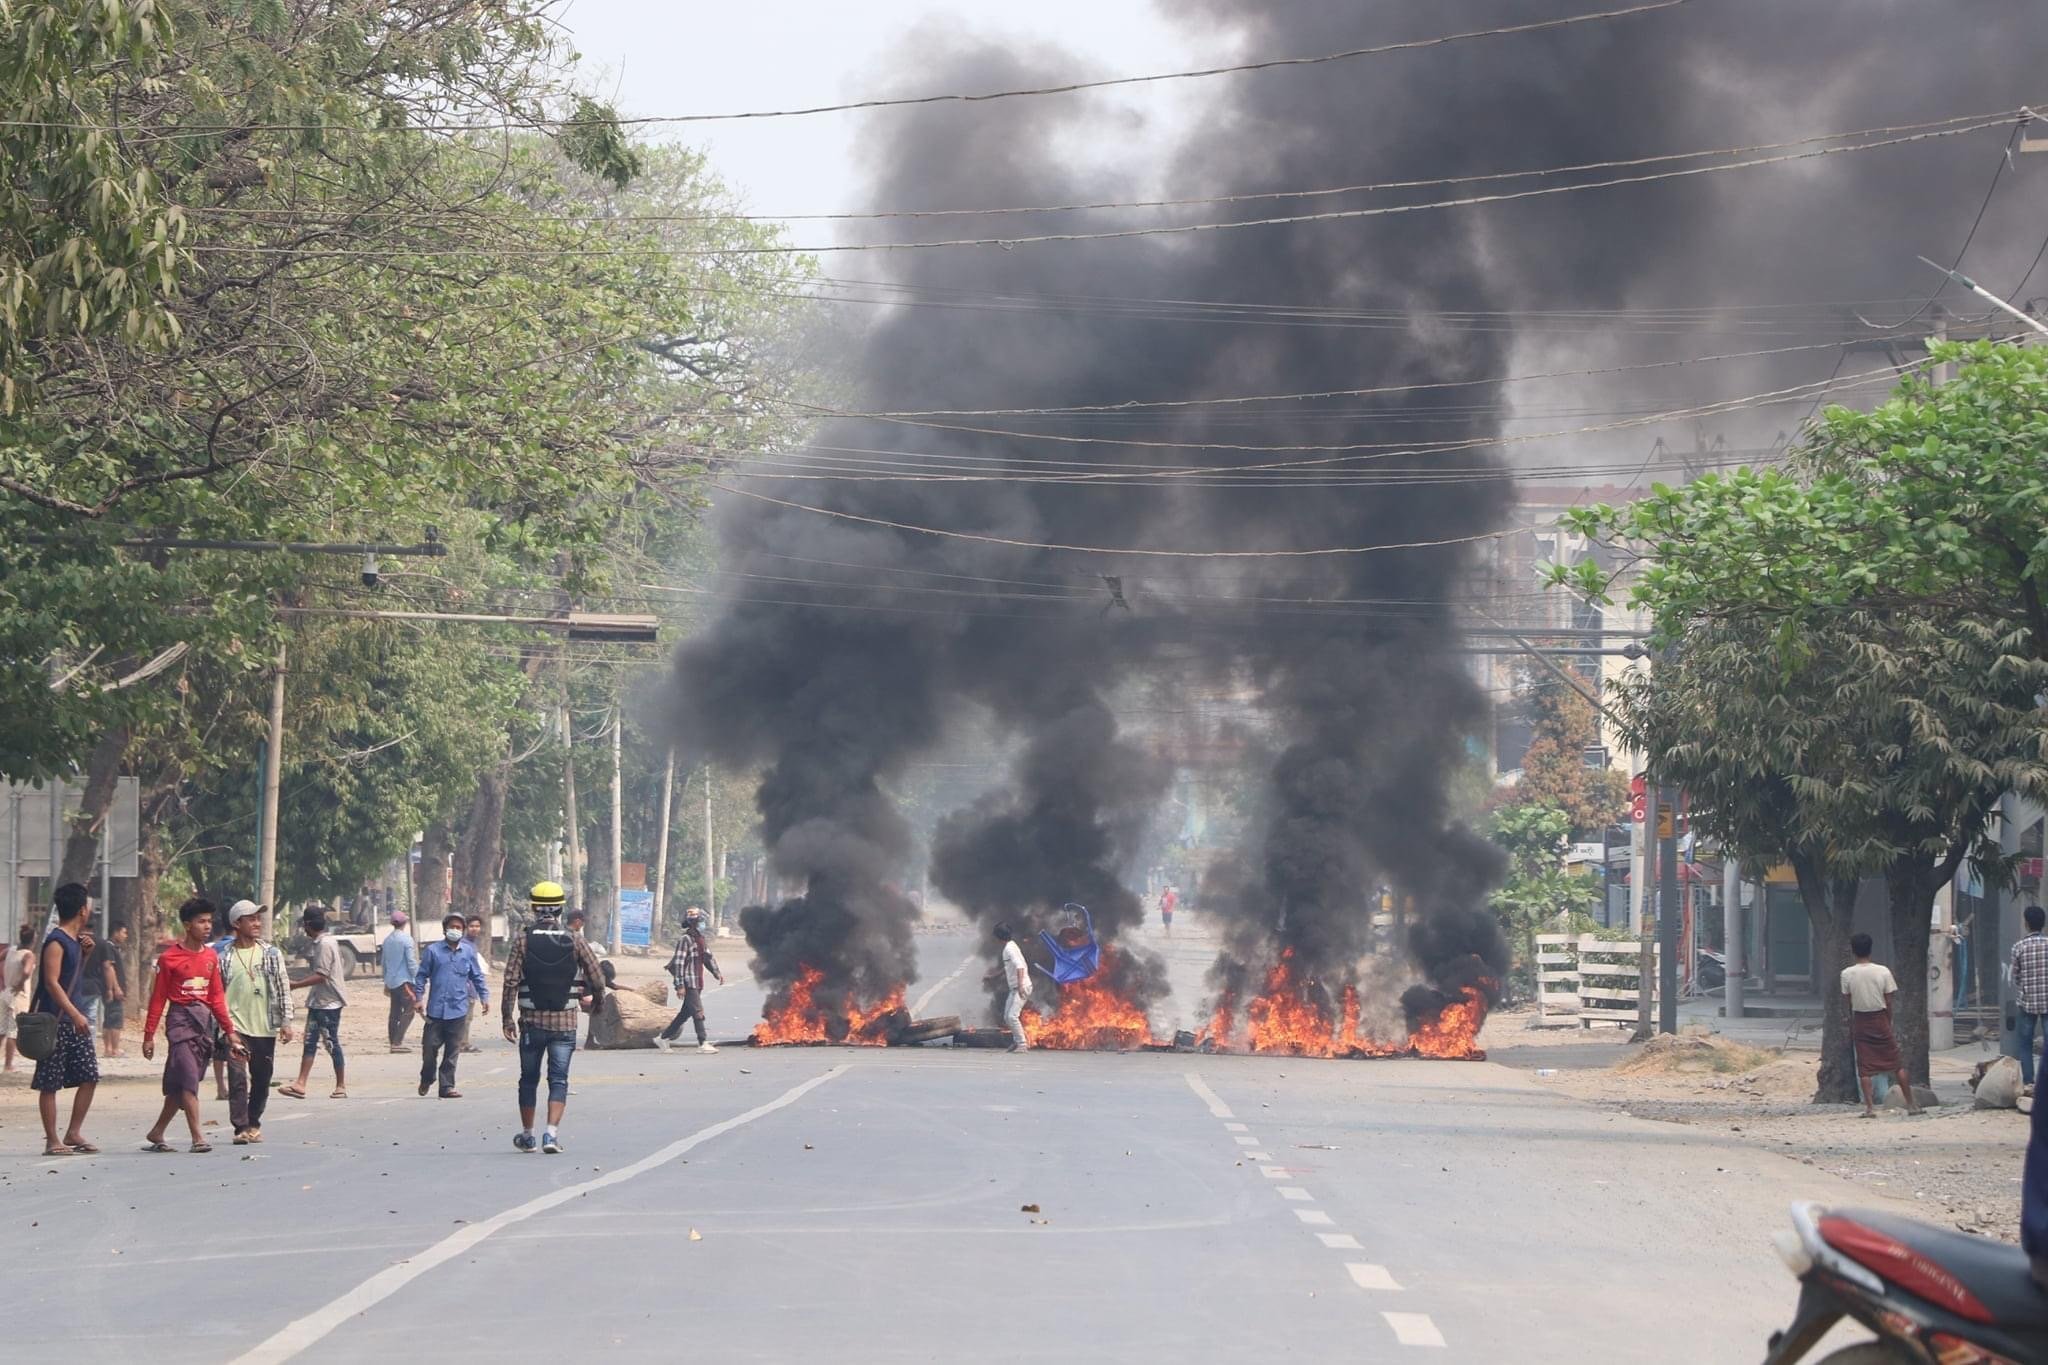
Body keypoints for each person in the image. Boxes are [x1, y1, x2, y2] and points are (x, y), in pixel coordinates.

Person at [501, 881, 606, 1154]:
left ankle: (527, 1135)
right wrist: (599, 1002)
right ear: (561, 908)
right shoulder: (575, 939)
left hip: (531, 1024)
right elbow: (597, 975)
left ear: (534, 908)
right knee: (558, 1079)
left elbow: (510, 980)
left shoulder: (523, 940)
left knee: (528, 1079)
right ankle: (550, 1134)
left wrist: (506, 1018)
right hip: (565, 1023)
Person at [141, 898, 245, 1154]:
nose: (207, 926)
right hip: (180, 1022)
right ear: (188, 925)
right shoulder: (169, 958)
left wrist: (230, 1033)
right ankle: (198, 1136)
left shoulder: (211, 956)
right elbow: (158, 999)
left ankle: (157, 1132)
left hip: (203, 1024)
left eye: (209, 921)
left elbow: (216, 998)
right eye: (201, 921)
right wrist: (149, 1035)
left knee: (180, 1085)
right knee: (188, 1080)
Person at [215, 900, 292, 1143]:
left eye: (258, 919)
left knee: (262, 1078)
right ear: (237, 923)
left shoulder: (271, 954)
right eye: (251, 919)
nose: (257, 923)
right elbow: (217, 993)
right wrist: (222, 1027)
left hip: (265, 1027)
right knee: (237, 1078)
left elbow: (282, 988)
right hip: (235, 1027)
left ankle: (253, 1121)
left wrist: (286, 1021)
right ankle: (240, 1128)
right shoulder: (224, 957)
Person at [31, 884, 99, 1155]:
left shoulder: (75, 941)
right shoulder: (56, 941)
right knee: (50, 1082)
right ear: (83, 910)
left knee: (89, 1075)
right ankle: (52, 1139)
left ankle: (72, 1132)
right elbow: (51, 983)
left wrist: (86, 954)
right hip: (57, 1021)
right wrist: (74, 1014)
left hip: (74, 1020)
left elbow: (70, 976)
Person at [1842, 933, 1923, 1117]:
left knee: (1864, 1067)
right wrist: (1888, 1021)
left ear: (1853, 951)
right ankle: (1911, 1104)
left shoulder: (1847, 974)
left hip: (1861, 1021)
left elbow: (1848, 1001)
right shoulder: (1883, 971)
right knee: (1897, 1064)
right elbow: (1889, 1001)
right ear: (1871, 949)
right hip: (1881, 1020)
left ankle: (1870, 1108)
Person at [414, 913, 489, 1098]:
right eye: (452, 927)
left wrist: (484, 997)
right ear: (445, 929)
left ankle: (447, 1086)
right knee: (429, 1049)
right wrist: (418, 998)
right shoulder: (433, 951)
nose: (455, 930)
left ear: (462, 931)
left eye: (458, 927)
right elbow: (421, 976)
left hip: (458, 1009)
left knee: (452, 1051)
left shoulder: (468, 952)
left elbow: (477, 976)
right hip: (436, 1011)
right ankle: (427, 1077)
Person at [280, 905, 349, 1099]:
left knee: (330, 1041)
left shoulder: (325, 945)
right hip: (319, 1001)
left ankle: (341, 1085)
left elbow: (322, 976)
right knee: (309, 1041)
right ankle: (300, 1083)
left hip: (329, 1002)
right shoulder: (322, 942)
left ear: (307, 925)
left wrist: (296, 985)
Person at [655, 907, 724, 1054]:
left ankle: (663, 1038)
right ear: (695, 922)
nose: (703, 924)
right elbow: (679, 963)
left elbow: (708, 958)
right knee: (698, 1011)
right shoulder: (685, 940)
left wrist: (716, 973)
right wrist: (679, 985)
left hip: (698, 981)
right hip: (689, 981)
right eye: (701, 921)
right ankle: (703, 1042)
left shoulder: (700, 939)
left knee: (685, 1013)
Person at [2012, 905, 2048, 1088]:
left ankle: (2029, 1083)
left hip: (2027, 1002)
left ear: (2026, 923)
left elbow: (2016, 976)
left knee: (2025, 1044)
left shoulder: (2019, 947)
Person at [381, 911, 419, 1053]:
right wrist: (418, 978)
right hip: (405, 982)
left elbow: (384, 963)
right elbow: (411, 962)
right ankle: (397, 1042)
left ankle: (393, 1042)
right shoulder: (406, 940)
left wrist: (385, 980)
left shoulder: (387, 940)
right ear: (405, 923)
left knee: (394, 1012)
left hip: (392, 982)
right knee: (409, 1011)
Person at [93, 921, 130, 1057]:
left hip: (108, 988)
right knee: (115, 1018)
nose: (125, 936)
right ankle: (114, 1049)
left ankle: (108, 1049)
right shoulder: (109, 947)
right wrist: (115, 988)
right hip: (113, 989)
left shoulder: (111, 947)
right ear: (116, 931)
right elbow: (109, 968)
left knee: (109, 1018)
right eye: (124, 932)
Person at [2, 924, 35, 1070]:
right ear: (33, 940)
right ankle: (8, 1064)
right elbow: (27, 971)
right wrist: (21, 983)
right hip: (18, 995)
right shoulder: (28, 955)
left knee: (1, 1030)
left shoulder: (10, 950)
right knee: (12, 1031)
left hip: (5, 992)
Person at [996, 921, 1031, 1053]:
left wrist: (1021, 985)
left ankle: (1022, 1044)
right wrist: (994, 975)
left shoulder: (1009, 949)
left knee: (1012, 1016)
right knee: (1007, 1016)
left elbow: (1020, 967)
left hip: (1021, 987)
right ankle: (1016, 1042)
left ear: (998, 937)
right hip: (1015, 988)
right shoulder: (1011, 946)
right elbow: (1008, 967)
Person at [462, 914, 487, 1053]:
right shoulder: (464, 944)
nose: (474, 929)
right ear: (466, 928)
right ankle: (462, 1043)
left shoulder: (472, 944)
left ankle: (463, 1042)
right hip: (465, 987)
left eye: (477, 926)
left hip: (471, 987)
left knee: (468, 1017)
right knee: (465, 1017)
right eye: (471, 926)